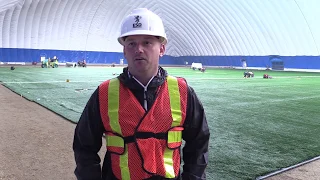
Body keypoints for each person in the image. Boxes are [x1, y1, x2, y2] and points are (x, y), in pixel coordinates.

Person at [73, 8, 210, 180]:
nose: (139, 49)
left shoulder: (182, 91)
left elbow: (199, 143)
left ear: (162, 49)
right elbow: (84, 146)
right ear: (124, 51)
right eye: (131, 43)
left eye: (147, 42)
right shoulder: (105, 94)